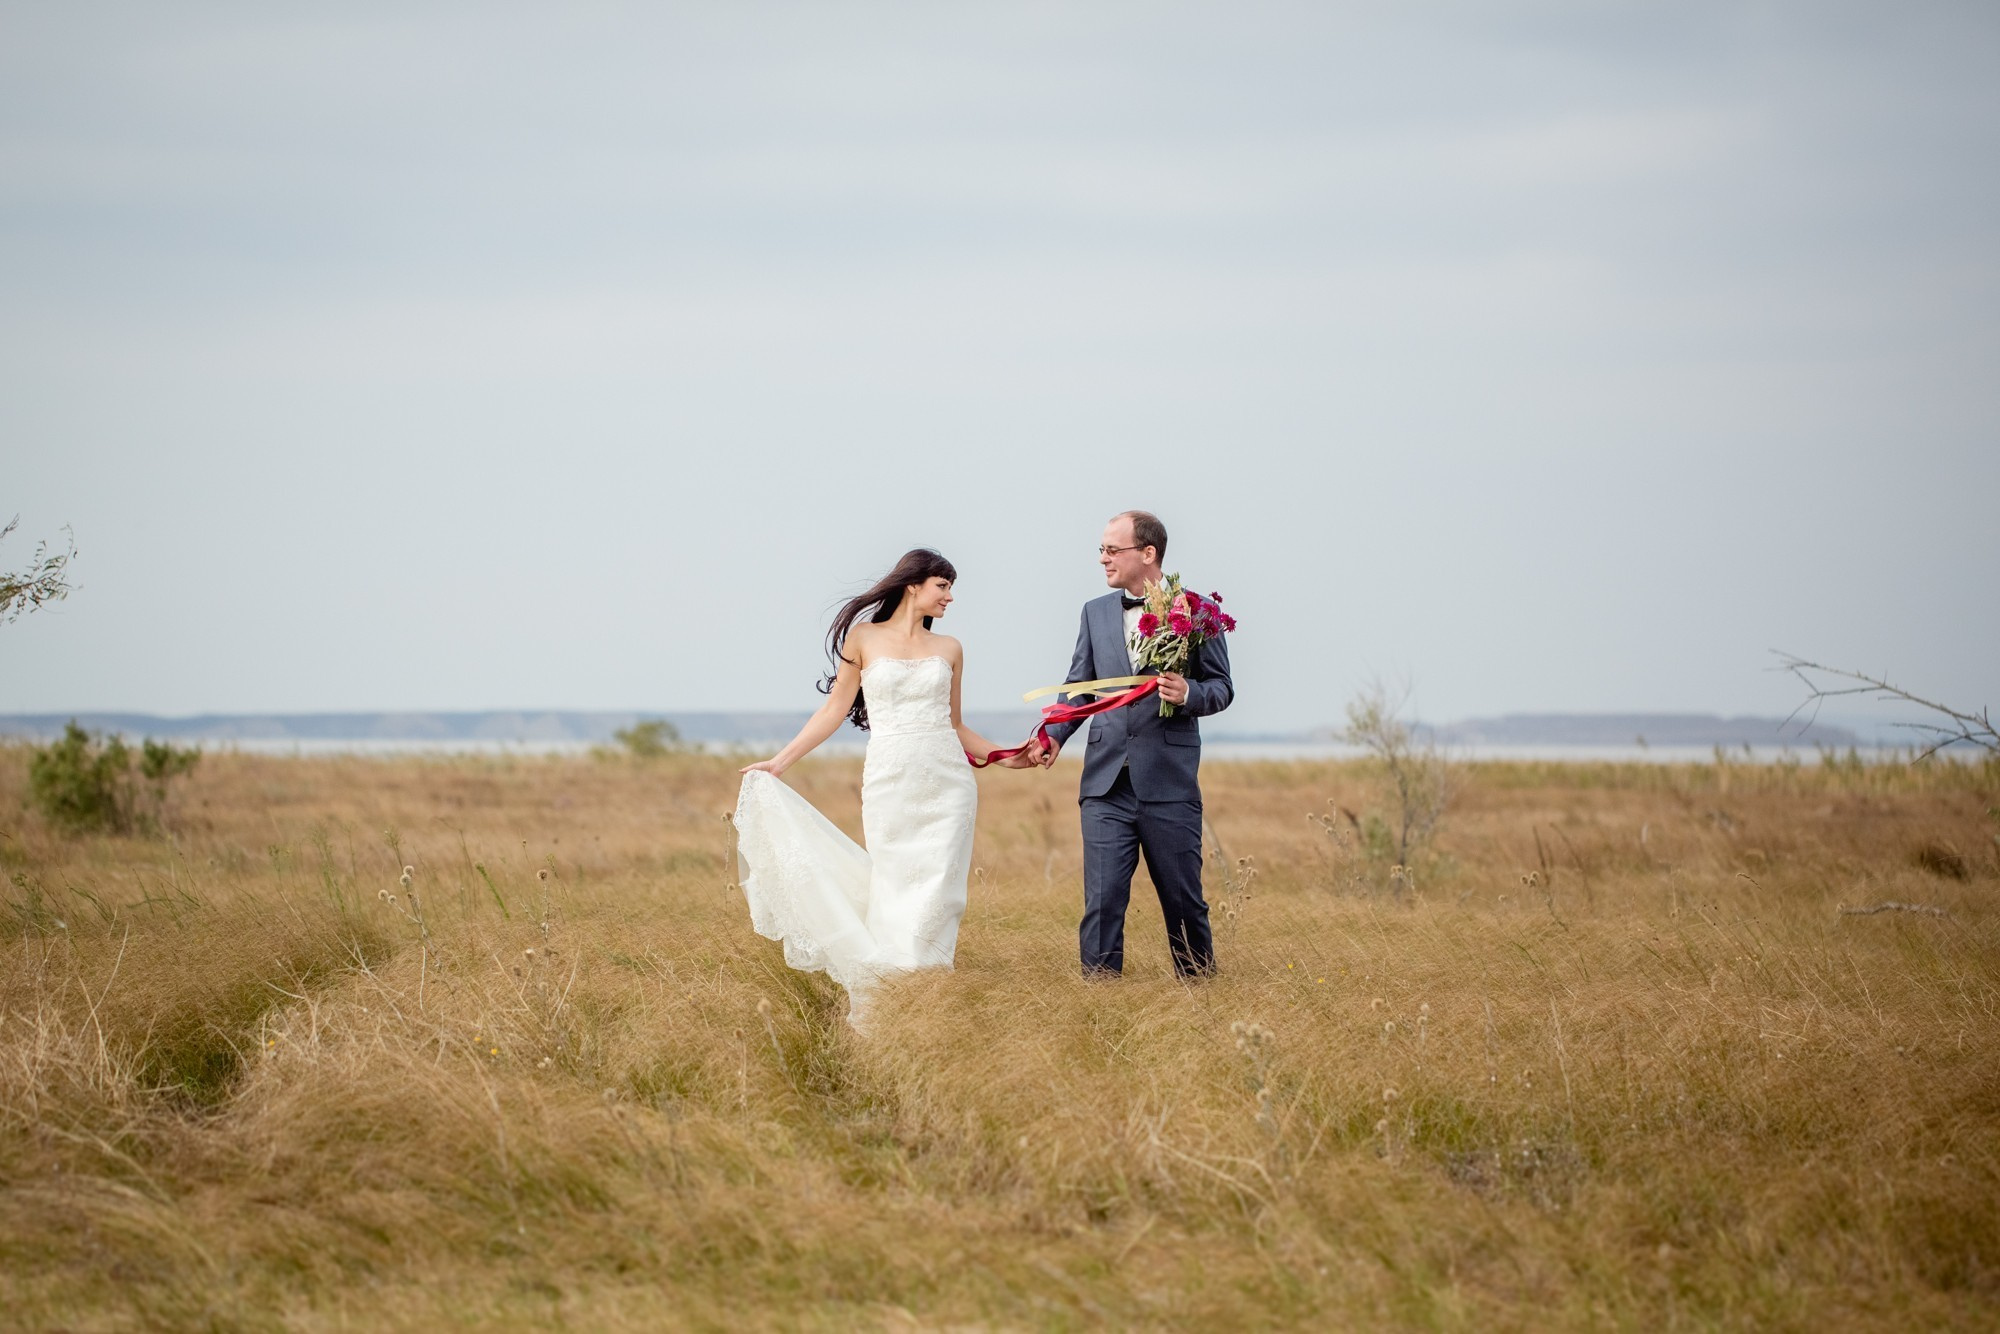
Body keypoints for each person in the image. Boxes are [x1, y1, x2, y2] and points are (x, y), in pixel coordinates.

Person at [733, 548, 1033, 1025]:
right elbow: (834, 710)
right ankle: (886, 1001)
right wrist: (779, 764)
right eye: (943, 586)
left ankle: (924, 997)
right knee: (894, 883)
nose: (950, 597)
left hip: (949, 784)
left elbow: (955, 725)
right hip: (892, 779)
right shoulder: (863, 638)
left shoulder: (950, 649)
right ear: (914, 584)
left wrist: (1007, 756)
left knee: (940, 892)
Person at [1029, 511, 1233, 977]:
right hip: (1104, 785)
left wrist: (1189, 695)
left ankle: (1200, 994)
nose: (1102, 559)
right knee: (1101, 905)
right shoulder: (1094, 612)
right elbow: (1079, 685)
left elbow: (1222, 687)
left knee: (1184, 904)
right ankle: (1099, 1006)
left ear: (1148, 554)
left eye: (1111, 550)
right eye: (1100, 549)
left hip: (1169, 784)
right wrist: (1054, 734)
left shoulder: (1197, 612)